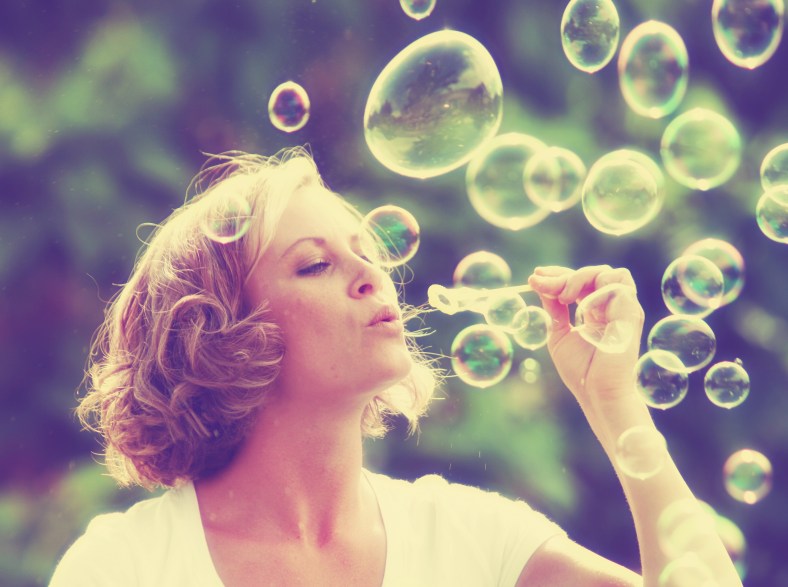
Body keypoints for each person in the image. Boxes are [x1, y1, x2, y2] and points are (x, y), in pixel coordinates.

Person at [50, 147, 742, 587]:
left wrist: (613, 398)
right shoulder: (125, 568)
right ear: (223, 336)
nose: (371, 274)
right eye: (316, 263)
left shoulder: (475, 539)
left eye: (368, 250)